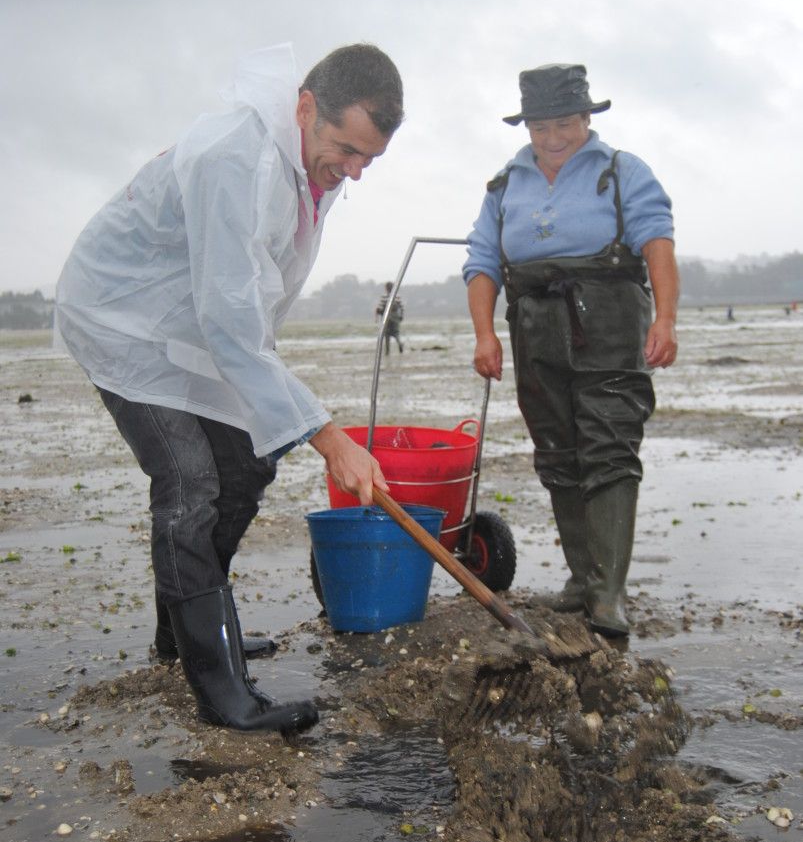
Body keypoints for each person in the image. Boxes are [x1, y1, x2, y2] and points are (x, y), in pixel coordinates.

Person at [56, 42, 403, 732]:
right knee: (189, 484)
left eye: (370, 159)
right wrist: (330, 439)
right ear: (305, 108)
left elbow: (248, 295)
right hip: (123, 321)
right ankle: (220, 694)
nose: (355, 173)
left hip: (193, 325)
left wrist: (282, 409)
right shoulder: (233, 159)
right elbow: (229, 316)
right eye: (347, 149)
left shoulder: (310, 161)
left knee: (247, 461)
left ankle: (183, 637)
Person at [463, 63, 678, 637]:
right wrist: (485, 333)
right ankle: (582, 579)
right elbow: (482, 262)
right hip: (533, 323)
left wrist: (666, 319)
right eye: (539, 128)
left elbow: (657, 241)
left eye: (564, 124)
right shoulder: (505, 184)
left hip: (608, 317)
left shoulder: (621, 170)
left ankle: (608, 595)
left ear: (587, 118)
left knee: (609, 445)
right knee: (557, 449)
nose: (552, 138)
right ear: (526, 127)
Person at [375, 281, 404, 354]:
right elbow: (402, 307)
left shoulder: (383, 297)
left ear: (386, 289)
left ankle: (387, 351)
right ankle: (400, 343)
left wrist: (377, 317)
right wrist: (401, 316)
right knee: (396, 333)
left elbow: (380, 307)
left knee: (387, 334)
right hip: (395, 317)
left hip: (386, 317)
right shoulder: (397, 296)